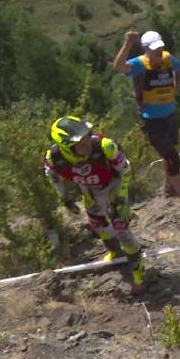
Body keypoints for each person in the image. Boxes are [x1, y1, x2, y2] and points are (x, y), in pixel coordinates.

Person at [44, 116, 146, 294]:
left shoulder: (105, 146)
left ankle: (139, 273)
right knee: (98, 225)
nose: (86, 144)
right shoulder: (54, 158)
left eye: (86, 137)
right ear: (66, 147)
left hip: (113, 186)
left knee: (121, 229)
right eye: (80, 143)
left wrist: (121, 199)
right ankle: (114, 254)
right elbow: (53, 179)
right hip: (89, 190)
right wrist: (65, 199)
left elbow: (126, 170)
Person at [112, 29, 180, 212]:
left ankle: (170, 187)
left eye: (160, 48)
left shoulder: (168, 59)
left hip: (169, 115)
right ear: (145, 49)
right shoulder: (139, 65)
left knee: (168, 154)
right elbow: (119, 66)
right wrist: (128, 43)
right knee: (173, 158)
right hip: (151, 120)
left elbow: (178, 67)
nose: (158, 53)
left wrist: (176, 86)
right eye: (154, 50)